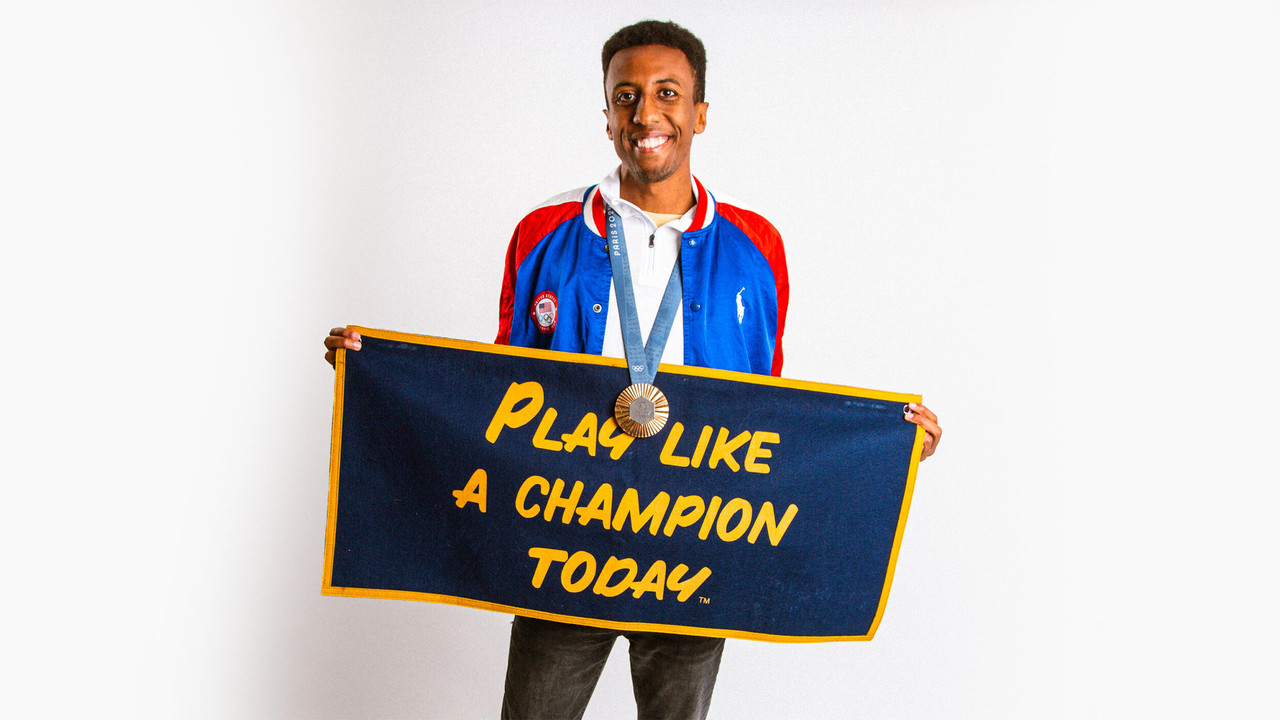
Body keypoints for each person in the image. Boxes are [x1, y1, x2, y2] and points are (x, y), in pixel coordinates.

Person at [325, 19, 942, 720]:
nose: (646, 112)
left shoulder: (755, 247)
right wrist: (376, 377)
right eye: (626, 96)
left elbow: (772, 411)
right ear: (608, 115)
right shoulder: (544, 234)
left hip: (695, 545)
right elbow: (490, 394)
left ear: (699, 113)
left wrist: (885, 452)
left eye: (667, 93)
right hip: (564, 541)